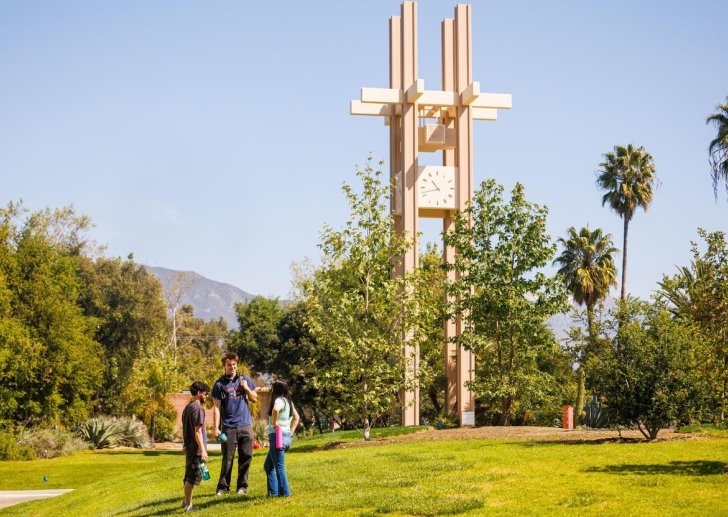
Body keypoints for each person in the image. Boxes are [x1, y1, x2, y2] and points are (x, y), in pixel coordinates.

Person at [212, 352, 258, 496]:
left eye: (234, 365)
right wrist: (215, 428)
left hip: (245, 425)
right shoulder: (219, 384)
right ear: (224, 366)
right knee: (227, 459)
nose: (232, 367)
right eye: (229, 365)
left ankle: (242, 487)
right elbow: (216, 407)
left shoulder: (244, 380)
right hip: (228, 426)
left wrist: (247, 388)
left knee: (246, 456)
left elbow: (255, 399)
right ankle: (223, 488)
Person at [264, 379, 300, 497]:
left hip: (277, 437)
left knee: (279, 467)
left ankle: (285, 493)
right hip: (286, 437)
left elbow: (275, 410)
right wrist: (290, 433)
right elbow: (297, 417)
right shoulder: (289, 401)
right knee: (268, 466)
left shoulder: (279, 400)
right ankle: (273, 493)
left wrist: (274, 423)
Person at [181, 380, 209, 513]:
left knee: (190, 475)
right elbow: (197, 431)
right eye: (205, 393)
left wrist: (185, 444)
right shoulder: (198, 408)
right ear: (199, 393)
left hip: (190, 448)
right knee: (191, 477)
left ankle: (186, 500)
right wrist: (203, 450)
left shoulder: (188, 408)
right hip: (196, 449)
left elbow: (185, 429)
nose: (206, 396)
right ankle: (189, 506)